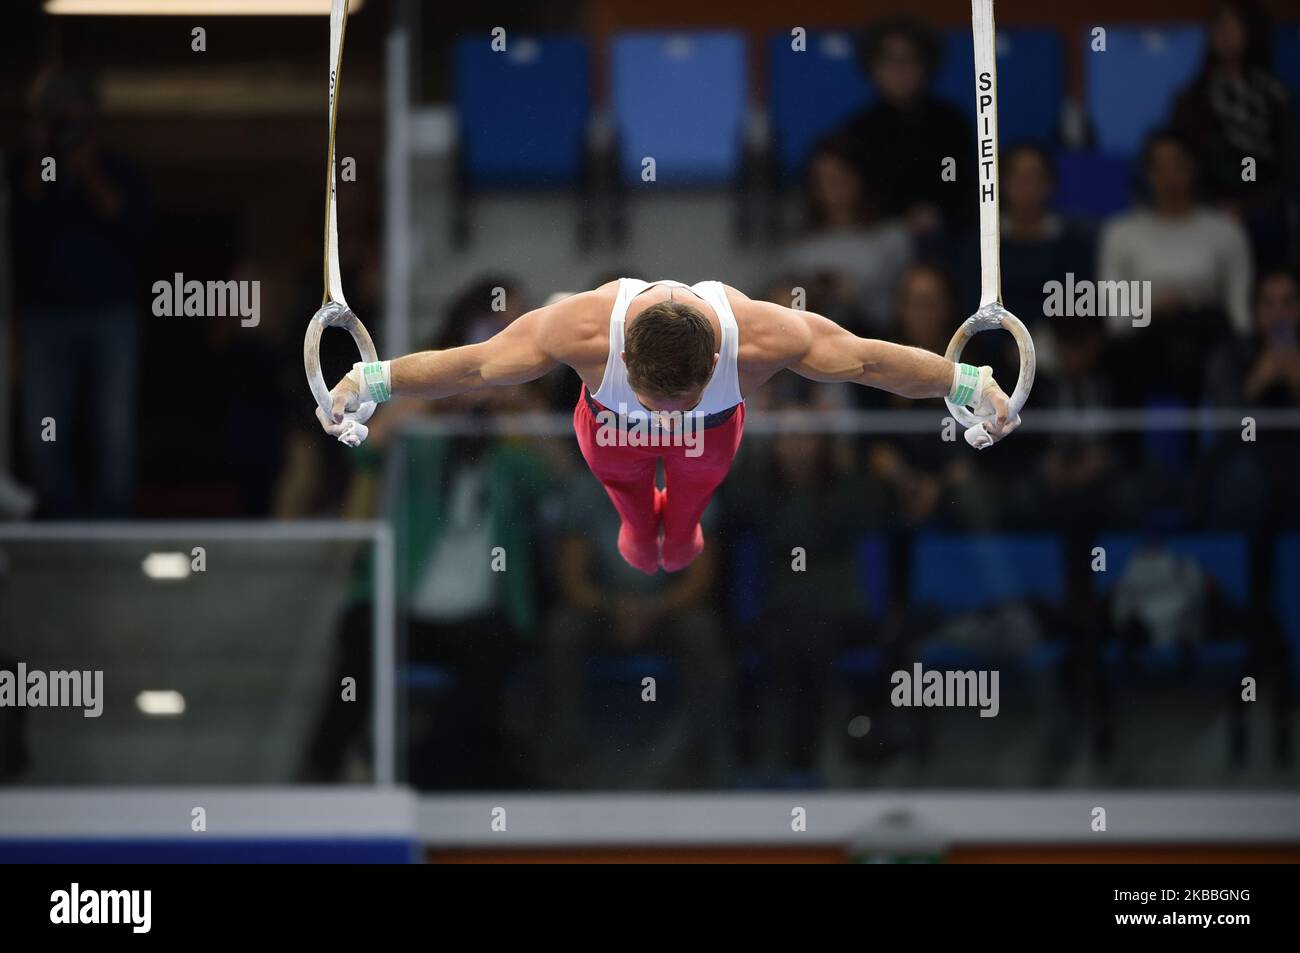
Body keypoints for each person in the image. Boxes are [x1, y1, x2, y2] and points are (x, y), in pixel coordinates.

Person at [316, 277, 1021, 574]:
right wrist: (370, 379)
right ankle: (639, 522)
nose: (663, 415)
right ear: (620, 356)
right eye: (656, 398)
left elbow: (869, 361)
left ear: (717, 357)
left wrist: (966, 378)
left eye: (675, 398)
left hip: (706, 442)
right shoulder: (581, 327)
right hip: (611, 438)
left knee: (677, 541)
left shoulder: (763, 335)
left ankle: (676, 526)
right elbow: (472, 368)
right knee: (635, 531)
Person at [9, 68, 148, 517]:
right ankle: (56, 516)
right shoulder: (27, 171)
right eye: (58, 120)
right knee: (44, 426)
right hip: (45, 316)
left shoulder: (118, 169)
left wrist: (88, 172)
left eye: (75, 119)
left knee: (113, 427)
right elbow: (19, 232)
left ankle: (112, 520)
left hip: (112, 315)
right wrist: (40, 156)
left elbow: (138, 234)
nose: (67, 130)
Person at [1171, 0, 1298, 272]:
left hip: (1264, 206)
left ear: (1252, 31)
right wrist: (1214, 203)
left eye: (1232, 26)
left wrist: (1249, 206)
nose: (1224, 35)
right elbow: (1182, 161)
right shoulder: (1192, 99)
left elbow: (1289, 168)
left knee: (1268, 225)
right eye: (1218, 27)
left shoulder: (1277, 95)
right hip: (1207, 203)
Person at [1098, 129, 1253, 336]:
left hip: (1209, 343)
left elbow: (1239, 313)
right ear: (1148, 174)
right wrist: (1155, 309)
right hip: (1140, 346)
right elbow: (1114, 319)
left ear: (1194, 168)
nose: (1170, 176)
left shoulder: (1226, 231)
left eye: (1178, 165)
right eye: (1160, 168)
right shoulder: (1120, 233)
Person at [830, 15, 974, 236]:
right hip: (879, 236)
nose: (899, 70)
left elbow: (967, 186)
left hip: (950, 231)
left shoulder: (953, 122)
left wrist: (938, 213)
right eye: (889, 60)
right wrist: (898, 220)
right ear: (872, 68)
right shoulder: (857, 130)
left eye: (909, 59)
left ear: (927, 66)